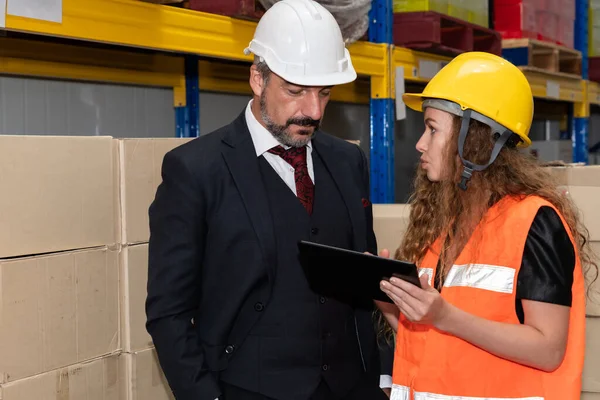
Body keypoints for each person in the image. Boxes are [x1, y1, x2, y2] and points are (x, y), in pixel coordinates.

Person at [145, 1, 391, 399]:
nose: (312, 110)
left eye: (324, 93)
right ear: (257, 79)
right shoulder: (195, 171)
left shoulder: (348, 162)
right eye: (295, 91)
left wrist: (378, 379)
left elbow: (360, 281)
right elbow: (167, 312)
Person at [375, 51, 597, 399]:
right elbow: (440, 348)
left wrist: (444, 315)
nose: (419, 143)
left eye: (432, 129)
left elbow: (549, 349)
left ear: (475, 139)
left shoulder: (535, 222)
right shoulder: (442, 222)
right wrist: (397, 307)